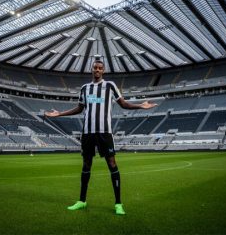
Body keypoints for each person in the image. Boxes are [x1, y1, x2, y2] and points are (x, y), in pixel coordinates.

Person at [44, 60, 157, 215]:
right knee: (86, 164)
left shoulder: (110, 86)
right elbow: (79, 108)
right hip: (88, 133)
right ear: (92, 70)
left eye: (100, 68)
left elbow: (123, 104)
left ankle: (118, 203)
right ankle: (81, 201)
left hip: (105, 132)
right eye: (95, 68)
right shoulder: (85, 88)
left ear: (103, 71)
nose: (97, 70)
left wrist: (140, 106)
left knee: (112, 163)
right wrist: (60, 113)